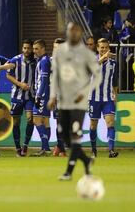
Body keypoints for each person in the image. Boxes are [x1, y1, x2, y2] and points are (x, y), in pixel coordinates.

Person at [48, 22, 101, 181]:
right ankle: (86, 160)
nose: (74, 33)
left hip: (79, 103)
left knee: (75, 134)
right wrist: (52, 96)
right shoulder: (60, 52)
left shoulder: (87, 54)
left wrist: (84, 92)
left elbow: (97, 77)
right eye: (71, 30)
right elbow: (55, 76)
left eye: (77, 31)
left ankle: (69, 172)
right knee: (65, 138)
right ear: (68, 32)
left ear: (81, 33)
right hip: (63, 101)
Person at [89, 38, 119, 158]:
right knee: (93, 125)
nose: (104, 49)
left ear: (108, 48)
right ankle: (93, 150)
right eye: (101, 47)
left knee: (110, 123)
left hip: (108, 98)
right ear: (97, 48)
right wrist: (102, 59)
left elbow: (115, 81)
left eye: (106, 47)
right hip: (93, 98)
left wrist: (115, 95)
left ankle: (111, 150)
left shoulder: (113, 64)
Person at [6, 39, 36, 157]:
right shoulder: (15, 60)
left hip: (30, 96)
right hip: (16, 96)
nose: (26, 50)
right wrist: (20, 84)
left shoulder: (36, 61)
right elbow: (8, 75)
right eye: (25, 48)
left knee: (30, 119)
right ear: (22, 48)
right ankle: (17, 147)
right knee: (16, 122)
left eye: (29, 48)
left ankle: (25, 146)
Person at [31, 39, 51, 157]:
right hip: (45, 94)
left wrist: (38, 96)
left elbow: (44, 80)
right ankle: (45, 148)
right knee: (45, 121)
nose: (34, 51)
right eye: (34, 49)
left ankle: (46, 148)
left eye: (37, 48)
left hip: (43, 95)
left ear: (43, 49)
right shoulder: (42, 60)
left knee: (36, 119)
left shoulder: (44, 61)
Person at [51, 38, 67, 157]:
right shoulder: (49, 61)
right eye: (55, 48)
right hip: (56, 97)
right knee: (59, 123)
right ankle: (61, 149)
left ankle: (59, 146)